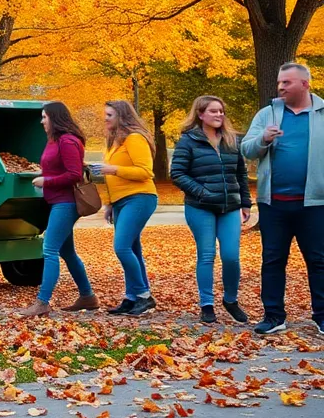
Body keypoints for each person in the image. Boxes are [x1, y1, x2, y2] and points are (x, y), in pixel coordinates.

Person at [241, 62, 324, 335]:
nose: (280, 87)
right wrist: (263, 139)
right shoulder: (268, 114)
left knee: (318, 260)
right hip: (273, 204)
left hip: (314, 204)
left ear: (304, 84)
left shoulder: (322, 113)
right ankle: (274, 316)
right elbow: (247, 149)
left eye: (286, 83)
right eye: (279, 82)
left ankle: (321, 316)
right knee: (273, 260)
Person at [171, 96, 252, 324]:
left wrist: (245, 203)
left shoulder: (231, 141)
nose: (219, 115)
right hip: (201, 207)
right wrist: (202, 192)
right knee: (207, 255)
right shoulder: (188, 141)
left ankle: (231, 300)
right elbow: (177, 173)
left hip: (229, 207)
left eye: (221, 111)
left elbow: (241, 174)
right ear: (201, 114)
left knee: (231, 256)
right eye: (213, 111)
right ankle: (207, 305)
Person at [17, 101, 97, 317]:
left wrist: (46, 181)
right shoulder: (54, 140)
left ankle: (42, 302)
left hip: (66, 202)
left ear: (55, 118)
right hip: (57, 201)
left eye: (45, 117)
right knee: (67, 251)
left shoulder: (68, 141)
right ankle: (87, 296)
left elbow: (74, 175)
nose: (42, 121)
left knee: (49, 250)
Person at [97, 100, 159, 316]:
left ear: (122, 116)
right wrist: (109, 204)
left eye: (110, 115)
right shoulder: (115, 141)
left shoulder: (134, 138)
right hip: (120, 201)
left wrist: (113, 169)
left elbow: (145, 171)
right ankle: (131, 297)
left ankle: (144, 295)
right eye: (105, 114)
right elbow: (110, 178)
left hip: (139, 197)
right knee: (132, 249)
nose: (105, 118)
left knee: (122, 247)